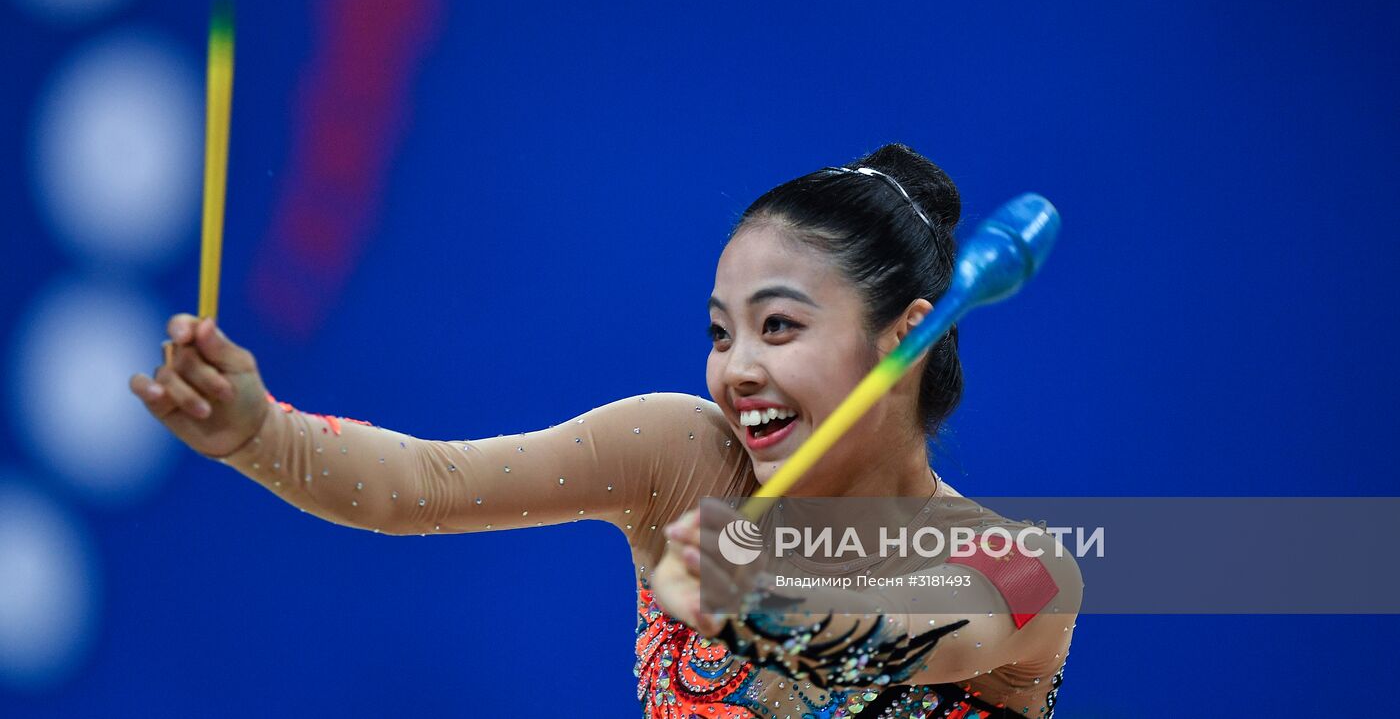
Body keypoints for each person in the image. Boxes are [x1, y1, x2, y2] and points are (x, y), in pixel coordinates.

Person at [129, 143, 1081, 718]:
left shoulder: (1023, 568)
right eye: (721, 331)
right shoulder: (683, 457)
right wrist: (258, 430)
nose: (735, 366)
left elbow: (901, 631)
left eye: (779, 325)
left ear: (904, 340)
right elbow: (428, 483)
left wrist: (770, 604)